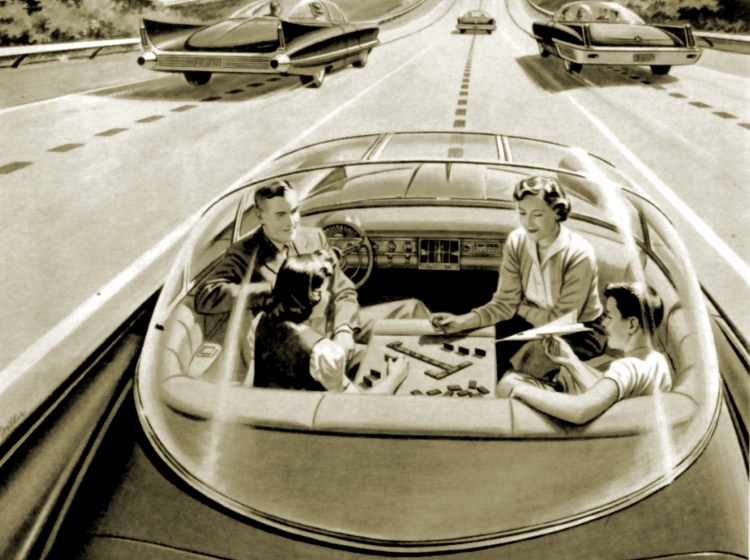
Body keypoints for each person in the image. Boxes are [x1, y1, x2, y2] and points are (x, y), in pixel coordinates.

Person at [195, 179, 428, 372]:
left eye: (294, 211)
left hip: (334, 322)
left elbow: (343, 290)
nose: (291, 222)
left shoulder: (314, 237)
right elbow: (206, 295)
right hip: (302, 340)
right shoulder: (244, 252)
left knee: (411, 309)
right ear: (260, 216)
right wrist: (275, 288)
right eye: (280, 215)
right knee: (383, 360)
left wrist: (343, 329)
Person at [430, 176, 607, 379]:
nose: (528, 223)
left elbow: (560, 322)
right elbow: (503, 304)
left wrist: (519, 308)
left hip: (579, 332)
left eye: (537, 214)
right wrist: (462, 321)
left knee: (527, 359)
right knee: (483, 350)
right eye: (522, 213)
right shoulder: (517, 241)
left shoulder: (579, 253)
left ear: (558, 212)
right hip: (532, 324)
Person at [498, 282, 672, 424]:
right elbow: (604, 393)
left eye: (609, 317)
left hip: (585, 431)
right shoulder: (657, 362)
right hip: (614, 423)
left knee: (509, 381)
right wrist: (570, 360)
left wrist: (519, 389)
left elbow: (580, 411)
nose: (604, 324)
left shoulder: (626, 368)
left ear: (632, 324)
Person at [254, 251, 408, 394]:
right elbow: (358, 406)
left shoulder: (264, 320)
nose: (329, 297)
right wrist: (395, 377)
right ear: (311, 296)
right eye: (326, 291)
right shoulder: (322, 352)